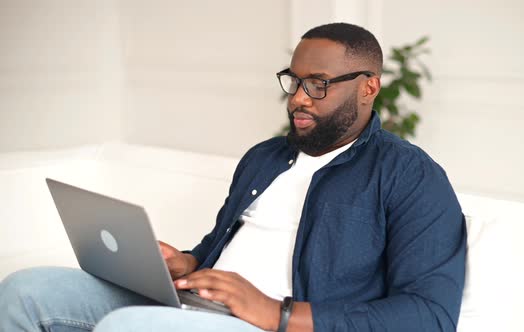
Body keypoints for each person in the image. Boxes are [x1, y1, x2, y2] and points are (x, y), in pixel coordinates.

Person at [0, 22, 466, 332]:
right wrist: (187, 263)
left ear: (368, 87)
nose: (298, 99)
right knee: (28, 291)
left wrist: (276, 313)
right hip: (196, 307)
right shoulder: (265, 157)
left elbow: (430, 315)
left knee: (128, 327)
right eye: (293, 81)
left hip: (268, 324)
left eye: (317, 84)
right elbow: (220, 249)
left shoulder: (409, 175)